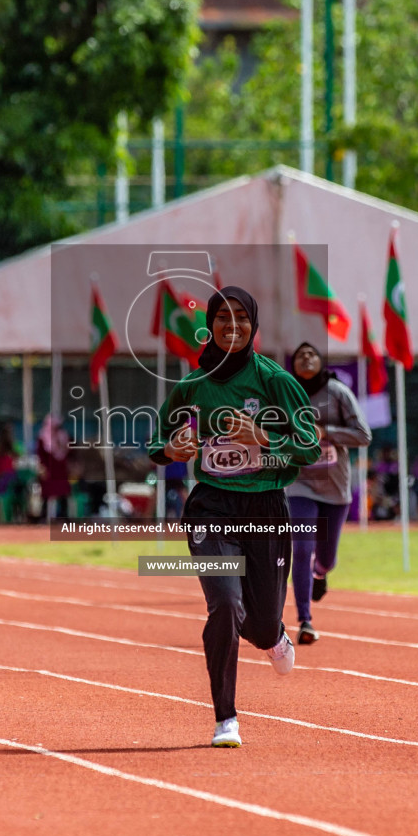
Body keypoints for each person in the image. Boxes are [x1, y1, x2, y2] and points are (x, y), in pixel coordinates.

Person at [149, 286, 320, 749]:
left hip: (265, 508)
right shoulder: (192, 386)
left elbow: (310, 448)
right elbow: (156, 445)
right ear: (211, 325)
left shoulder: (277, 382)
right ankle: (226, 716)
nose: (233, 326)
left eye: (242, 318)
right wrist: (170, 449)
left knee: (261, 625)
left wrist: (262, 437)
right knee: (225, 603)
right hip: (212, 506)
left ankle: (275, 634)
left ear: (254, 326)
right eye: (223, 317)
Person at [285, 341, 370, 644]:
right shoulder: (286, 394)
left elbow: (363, 434)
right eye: (300, 355)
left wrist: (326, 432)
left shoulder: (337, 392)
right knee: (302, 548)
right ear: (292, 365)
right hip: (299, 483)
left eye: (312, 354)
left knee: (326, 558)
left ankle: (320, 573)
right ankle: (305, 620)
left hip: (334, 485)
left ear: (321, 362)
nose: (306, 358)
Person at [35, 413, 72, 520]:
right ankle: (43, 515)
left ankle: (64, 516)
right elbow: (41, 454)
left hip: (61, 469)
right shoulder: (43, 437)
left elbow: (68, 451)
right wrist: (42, 468)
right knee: (47, 492)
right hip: (49, 469)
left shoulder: (63, 436)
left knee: (63, 492)